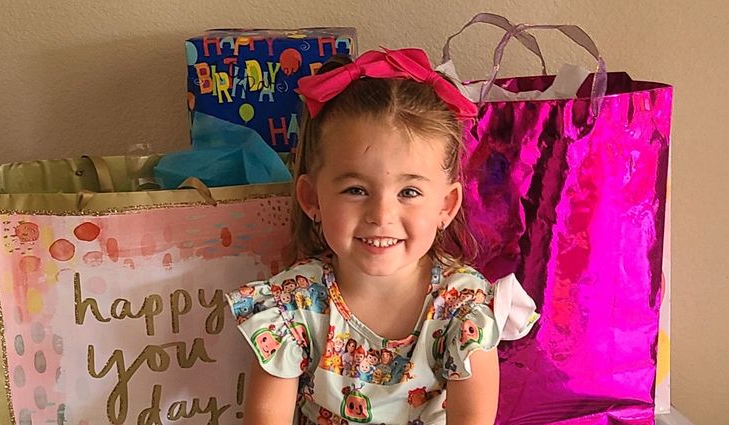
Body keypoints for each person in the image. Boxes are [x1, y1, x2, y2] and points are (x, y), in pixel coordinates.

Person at [226, 47, 539, 425]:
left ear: (446, 205)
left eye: (409, 192)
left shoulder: (463, 307)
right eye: (356, 190)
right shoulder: (293, 305)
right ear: (312, 199)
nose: (381, 216)